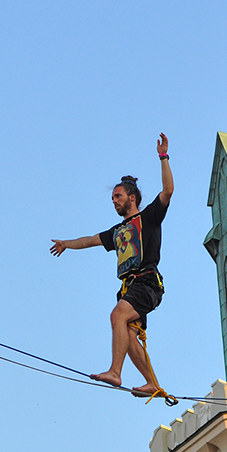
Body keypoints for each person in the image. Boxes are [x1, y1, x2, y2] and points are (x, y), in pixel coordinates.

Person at [50, 133, 173, 397]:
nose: (114, 201)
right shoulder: (118, 230)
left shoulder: (149, 217)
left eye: (118, 196)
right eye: (113, 198)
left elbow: (167, 191)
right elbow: (91, 240)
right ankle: (152, 383)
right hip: (130, 287)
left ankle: (115, 372)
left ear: (132, 197)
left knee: (117, 316)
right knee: (128, 335)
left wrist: (163, 157)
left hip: (147, 281)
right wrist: (65, 244)